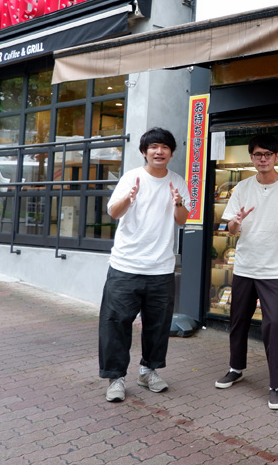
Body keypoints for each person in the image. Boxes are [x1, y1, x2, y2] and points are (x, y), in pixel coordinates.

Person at [214, 134, 278, 411]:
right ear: (252, 157)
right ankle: (236, 367)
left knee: (274, 325)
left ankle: (277, 384)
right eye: (258, 155)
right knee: (238, 319)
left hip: (275, 269)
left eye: (268, 154)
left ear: (276, 156)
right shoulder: (242, 188)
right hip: (245, 265)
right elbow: (230, 229)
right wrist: (235, 222)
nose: (263, 159)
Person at [99, 127, 190, 403]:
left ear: (171, 153)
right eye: (153, 147)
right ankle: (116, 377)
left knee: (158, 325)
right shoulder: (131, 178)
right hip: (125, 266)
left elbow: (182, 220)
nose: (159, 151)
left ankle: (148, 371)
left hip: (161, 269)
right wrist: (129, 197)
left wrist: (178, 203)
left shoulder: (177, 181)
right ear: (144, 152)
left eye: (164, 147)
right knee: (115, 323)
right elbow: (113, 212)